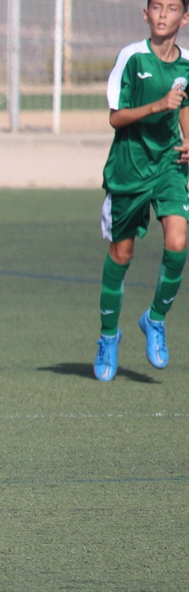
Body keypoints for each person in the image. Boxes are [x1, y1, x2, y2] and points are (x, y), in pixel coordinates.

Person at [93, 0, 189, 381]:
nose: (163, 14)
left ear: (186, 16)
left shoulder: (187, 64)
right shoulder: (131, 57)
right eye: (156, 7)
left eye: (171, 8)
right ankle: (108, 336)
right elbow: (116, 116)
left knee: (178, 242)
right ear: (144, 14)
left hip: (169, 164)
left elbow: (184, 105)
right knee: (122, 254)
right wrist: (155, 106)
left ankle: (155, 319)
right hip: (129, 168)